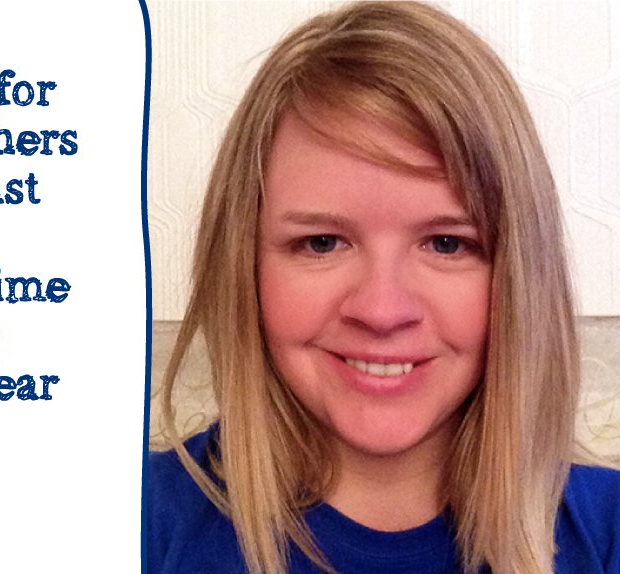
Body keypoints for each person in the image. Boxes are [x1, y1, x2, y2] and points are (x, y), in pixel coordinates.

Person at [145, 2, 620, 573]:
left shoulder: (608, 532)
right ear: (242, 265)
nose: (381, 310)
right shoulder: (119, 519)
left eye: (447, 244)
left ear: (520, 276)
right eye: (322, 243)